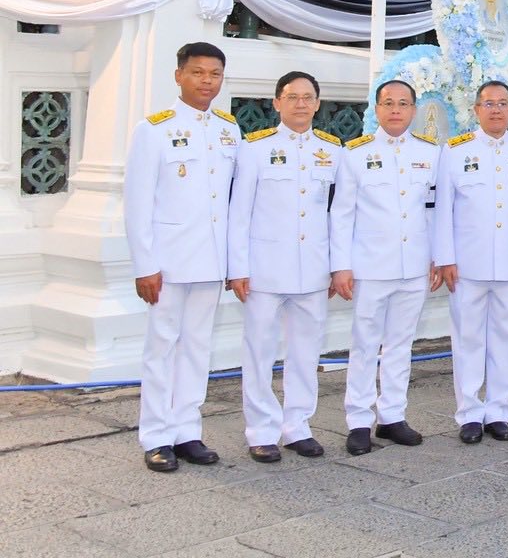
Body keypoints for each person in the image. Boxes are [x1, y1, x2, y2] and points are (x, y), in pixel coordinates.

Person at [124, 41, 241, 473]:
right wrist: (144, 265)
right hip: (168, 262)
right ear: (179, 75)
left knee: (197, 348)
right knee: (162, 348)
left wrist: (233, 263)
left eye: (214, 74)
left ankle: (187, 430)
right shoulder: (153, 129)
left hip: (211, 262)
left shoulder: (230, 130)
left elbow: (231, 203)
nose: (206, 81)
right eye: (197, 72)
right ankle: (156, 436)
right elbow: (137, 203)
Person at [227, 71, 343, 463]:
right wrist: (237, 267)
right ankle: (261, 430)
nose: (300, 104)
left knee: (306, 353)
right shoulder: (255, 149)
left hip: (312, 268)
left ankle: (297, 426)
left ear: (317, 104)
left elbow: (337, 216)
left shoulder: (332, 150)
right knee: (259, 352)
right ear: (277, 103)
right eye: (292, 97)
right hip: (264, 269)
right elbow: (238, 213)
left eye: (308, 97)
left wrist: (336, 265)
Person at [432, 80, 508, 444]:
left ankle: (498, 411)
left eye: (502, 103)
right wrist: (445, 258)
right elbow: (443, 212)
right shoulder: (453, 152)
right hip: (468, 263)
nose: (496, 110)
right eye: (488, 104)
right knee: (467, 339)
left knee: (506, 338)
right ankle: (469, 412)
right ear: (476, 110)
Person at [330, 79, 441, 455]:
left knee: (400, 344)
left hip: (414, 267)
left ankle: (392, 416)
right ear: (376, 109)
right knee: (364, 345)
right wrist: (340, 266)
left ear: (413, 110)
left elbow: (435, 212)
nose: (396, 109)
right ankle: (359, 420)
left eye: (403, 103)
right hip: (371, 267)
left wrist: (437, 258)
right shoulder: (355, 154)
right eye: (388, 103)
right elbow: (341, 215)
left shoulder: (430, 153)